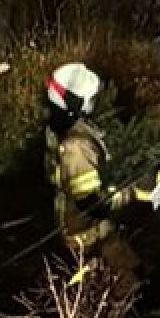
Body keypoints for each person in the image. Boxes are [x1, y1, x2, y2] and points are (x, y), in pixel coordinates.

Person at [44, 63, 137, 277]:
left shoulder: (59, 132)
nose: (93, 103)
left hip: (89, 235)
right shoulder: (76, 146)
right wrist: (129, 194)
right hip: (90, 239)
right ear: (75, 102)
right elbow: (91, 204)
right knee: (130, 284)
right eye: (90, 99)